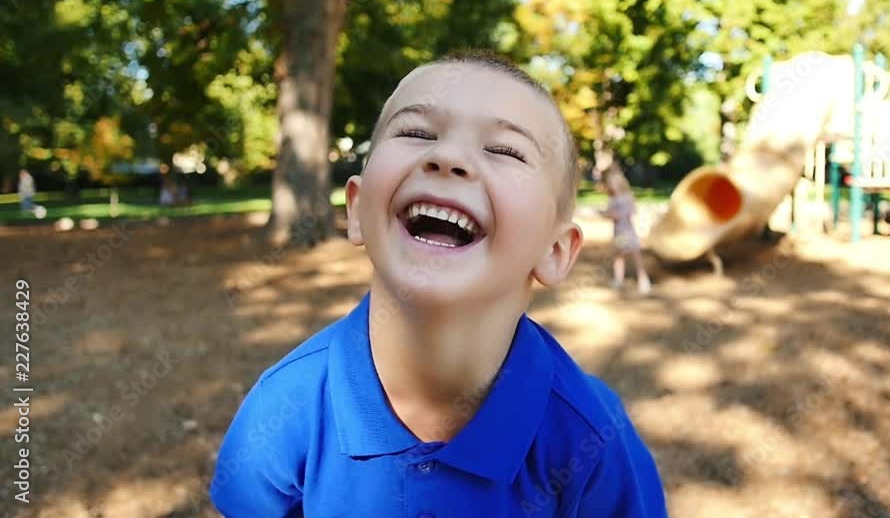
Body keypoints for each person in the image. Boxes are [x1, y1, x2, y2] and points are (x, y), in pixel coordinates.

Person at [210, 51, 668, 517]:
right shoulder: (284, 410)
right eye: (416, 133)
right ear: (357, 210)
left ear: (554, 251)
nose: (447, 156)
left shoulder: (592, 439)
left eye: (505, 150)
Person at [600, 167, 652, 295]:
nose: (612, 186)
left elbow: (632, 211)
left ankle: (643, 280)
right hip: (618, 233)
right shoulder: (611, 199)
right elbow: (610, 213)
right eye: (610, 184)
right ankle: (619, 280)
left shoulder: (627, 196)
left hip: (628, 232)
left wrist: (617, 214)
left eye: (613, 183)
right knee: (619, 255)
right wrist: (607, 214)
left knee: (635, 255)